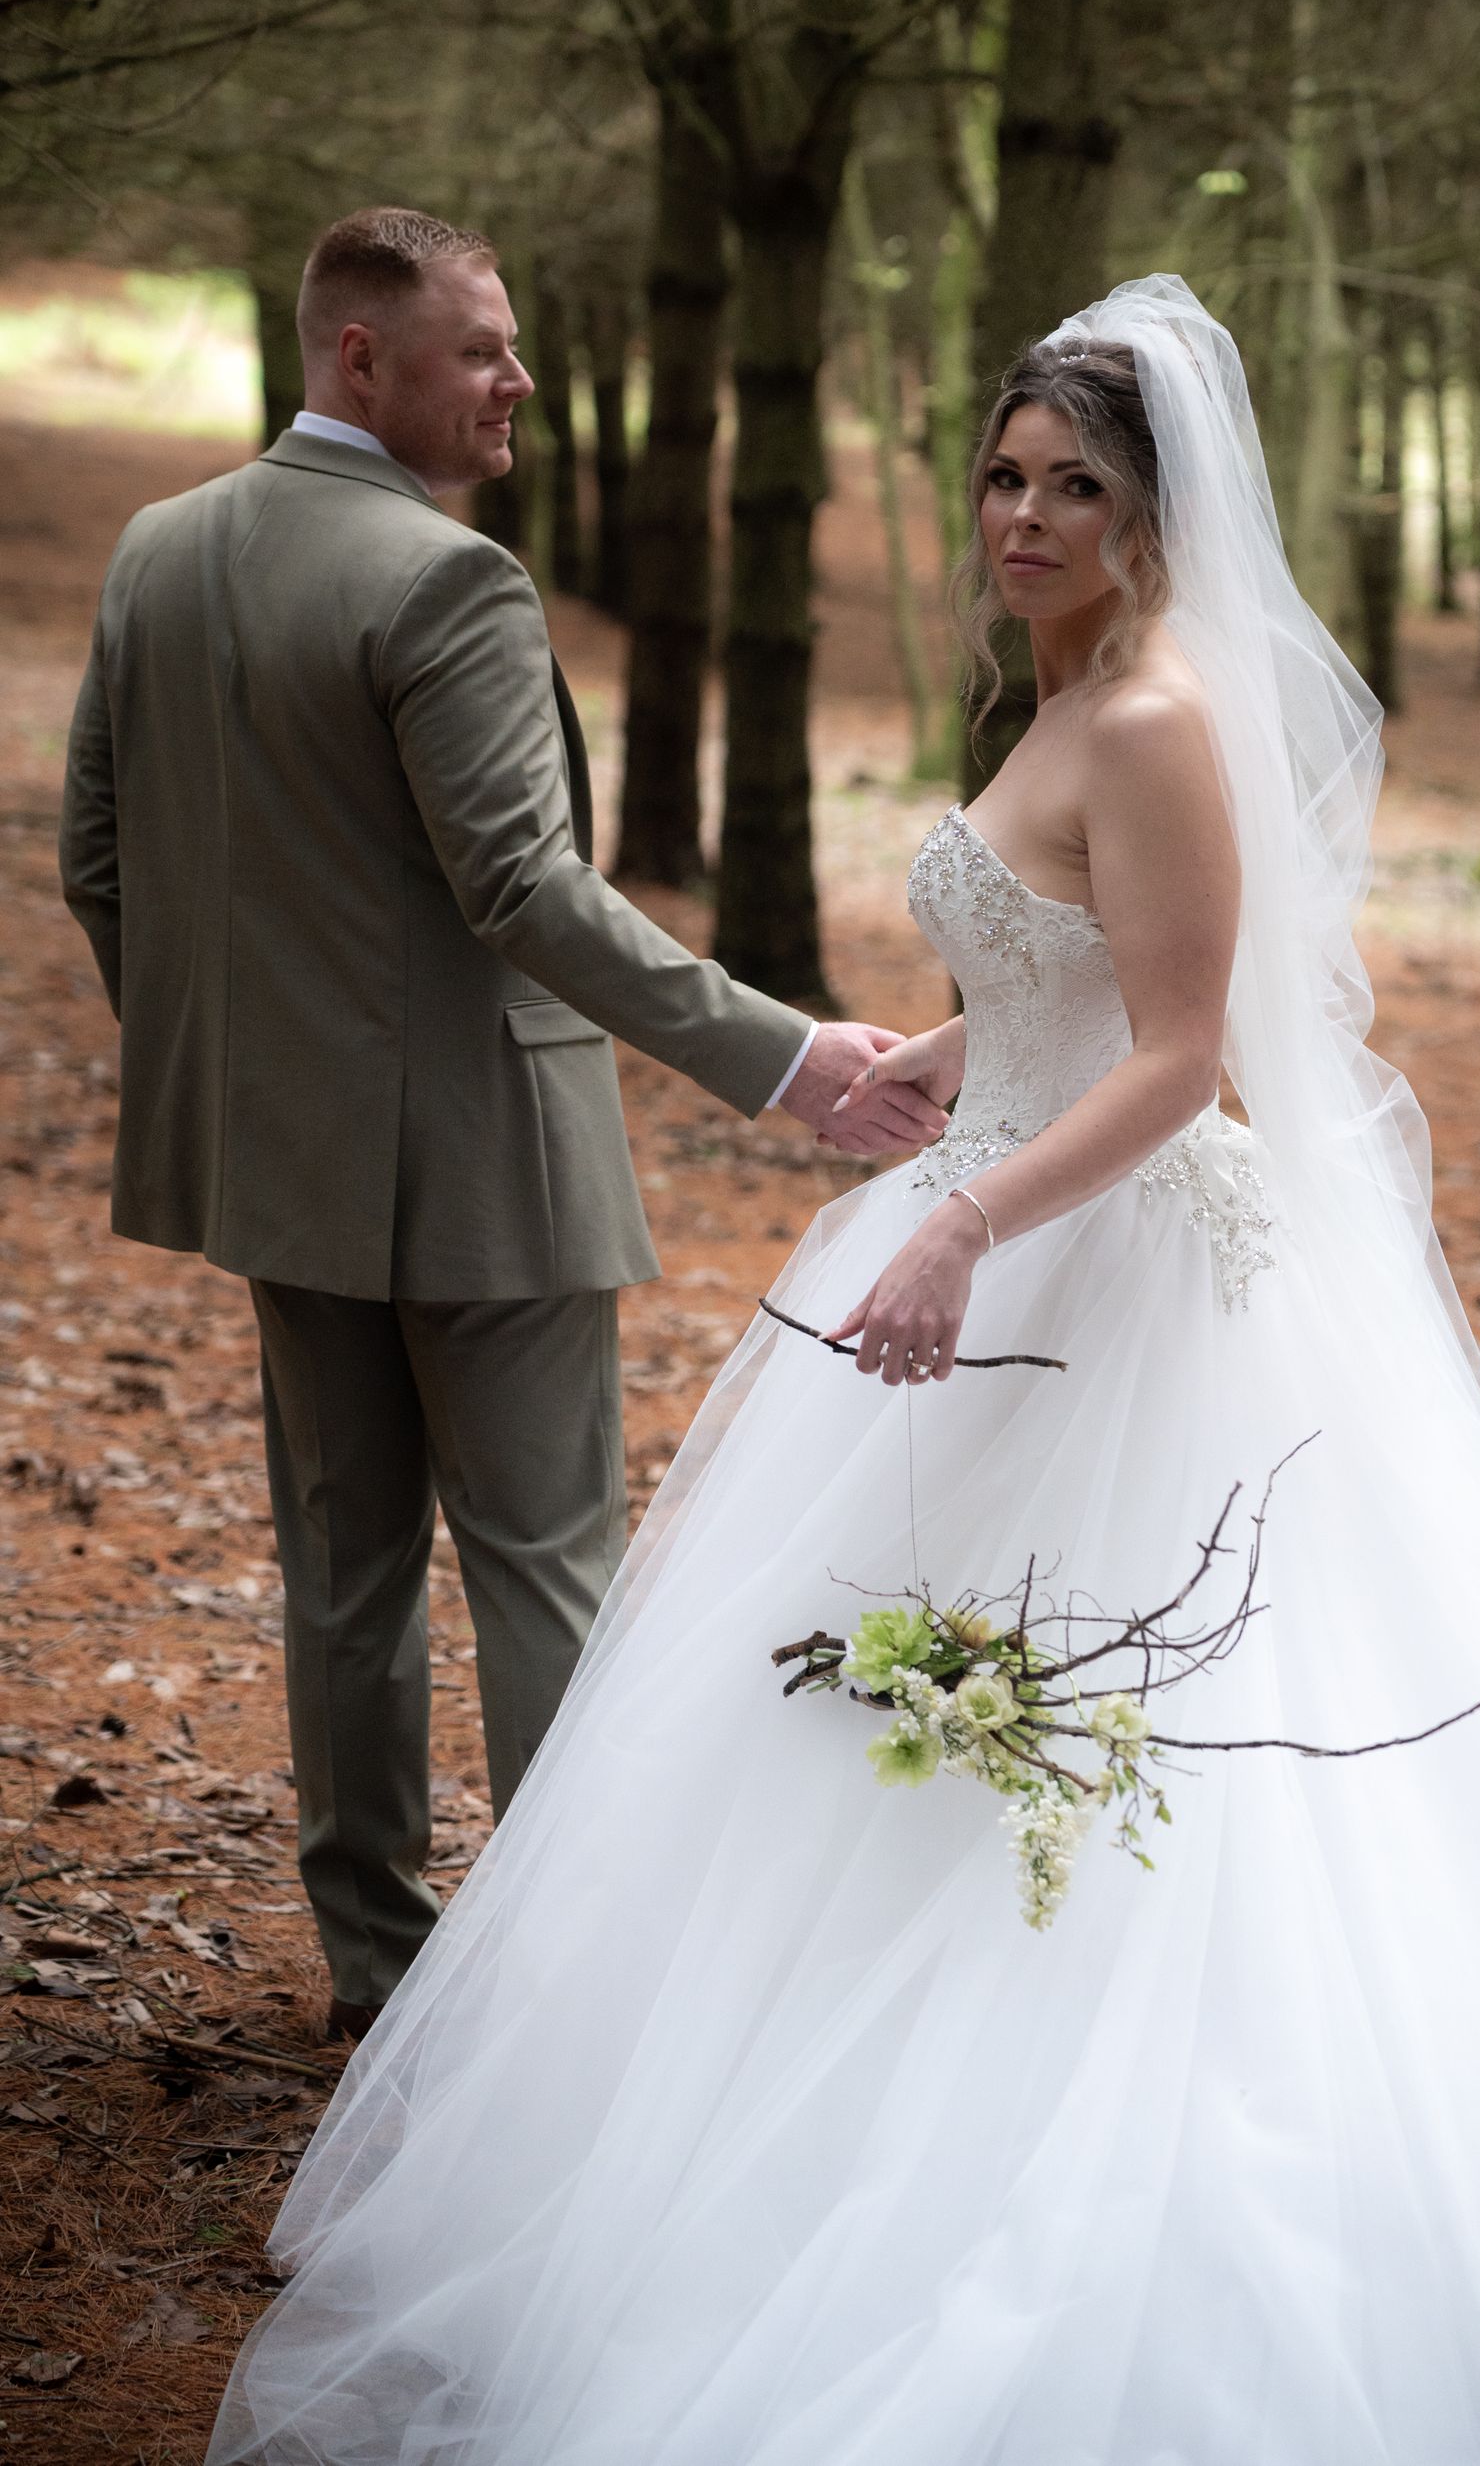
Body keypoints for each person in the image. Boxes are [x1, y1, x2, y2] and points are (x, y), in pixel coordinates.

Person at [210, 280, 1480, 2464]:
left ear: (1155, 507)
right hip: (997, 1230)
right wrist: (923, 1070)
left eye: (1072, 485)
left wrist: (958, 1219)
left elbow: (1195, 1058)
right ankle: (814, 2141)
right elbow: (1074, 988)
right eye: (1005, 475)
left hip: (1107, 1288)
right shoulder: (1059, 693)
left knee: (1135, 1737)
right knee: (882, 1716)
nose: (1023, 513)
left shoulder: (1158, 717)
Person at [58, 205, 942, 2043]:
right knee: (547, 1571)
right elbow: (526, 890)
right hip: (487, 1176)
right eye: (483, 348)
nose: (520, 379)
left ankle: (378, 1972)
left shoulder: (160, 553)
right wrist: (783, 1056)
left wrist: (248, 1077)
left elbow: (99, 863)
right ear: (359, 358)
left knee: (344, 1573)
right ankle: (566, 2016)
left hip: (275, 1171)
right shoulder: (445, 579)